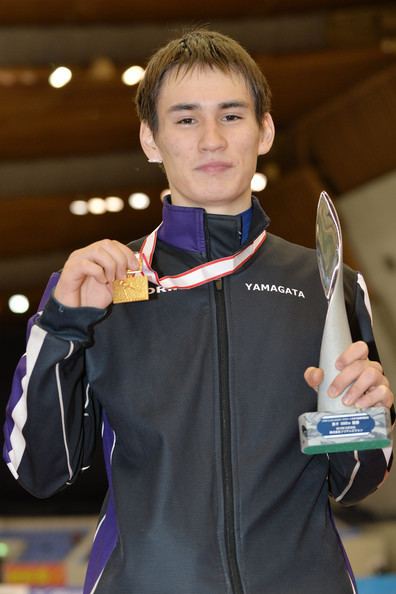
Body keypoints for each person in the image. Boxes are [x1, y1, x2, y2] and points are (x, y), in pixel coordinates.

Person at [3, 29, 394, 594]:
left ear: (264, 131)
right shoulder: (96, 287)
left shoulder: (328, 282)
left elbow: (355, 481)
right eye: (186, 119)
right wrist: (63, 325)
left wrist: (368, 416)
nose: (212, 139)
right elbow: (38, 470)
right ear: (151, 140)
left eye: (232, 116)